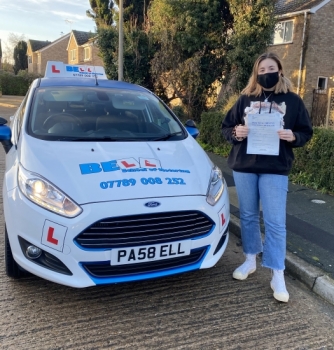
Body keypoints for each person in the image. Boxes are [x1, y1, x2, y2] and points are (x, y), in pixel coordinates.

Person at [221, 52, 313, 303]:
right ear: (256, 73)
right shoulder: (245, 99)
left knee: (275, 222)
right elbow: (226, 128)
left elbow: (306, 132)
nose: (266, 73)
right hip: (245, 166)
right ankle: (250, 259)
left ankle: (277, 273)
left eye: (271, 68)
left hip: (275, 168)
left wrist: (293, 137)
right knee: (248, 216)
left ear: (280, 71)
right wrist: (237, 132)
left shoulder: (293, 101)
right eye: (261, 70)